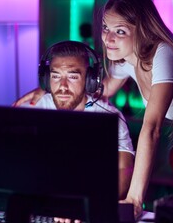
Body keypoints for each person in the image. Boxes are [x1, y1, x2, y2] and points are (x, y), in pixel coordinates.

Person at [14, 0, 173, 222]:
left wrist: (135, 198)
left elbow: (152, 128)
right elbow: (100, 90)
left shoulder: (163, 54)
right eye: (106, 28)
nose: (108, 38)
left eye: (120, 31)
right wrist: (52, 87)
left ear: (143, 31)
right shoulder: (124, 60)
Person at [16, 40, 135, 202]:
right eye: (56, 76)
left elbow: (123, 173)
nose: (63, 86)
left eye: (72, 77)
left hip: (89, 206)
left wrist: (86, 207)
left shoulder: (110, 118)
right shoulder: (30, 111)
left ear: (90, 80)